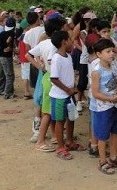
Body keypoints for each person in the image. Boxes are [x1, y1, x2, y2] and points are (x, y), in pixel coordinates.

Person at [26, 16, 68, 153]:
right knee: (48, 113)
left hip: (46, 77)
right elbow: (51, 60)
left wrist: (39, 66)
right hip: (52, 80)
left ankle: (55, 136)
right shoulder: (54, 46)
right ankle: (40, 141)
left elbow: (28, 55)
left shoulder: (44, 43)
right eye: (64, 27)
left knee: (50, 110)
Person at [91, 38, 117, 174]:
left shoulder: (114, 66)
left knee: (115, 131)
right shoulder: (96, 71)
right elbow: (95, 93)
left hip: (115, 105)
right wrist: (111, 98)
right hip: (102, 108)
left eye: (112, 51)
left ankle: (113, 157)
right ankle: (102, 161)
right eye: (108, 51)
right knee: (102, 135)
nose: (111, 54)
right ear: (99, 54)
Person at [49, 30, 83, 160]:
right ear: (64, 42)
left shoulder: (68, 56)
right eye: (69, 39)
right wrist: (67, 90)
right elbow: (54, 78)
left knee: (71, 118)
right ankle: (60, 147)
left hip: (69, 95)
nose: (72, 42)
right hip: (60, 96)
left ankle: (69, 141)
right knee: (60, 121)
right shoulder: (57, 58)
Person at [23, 11, 45, 143]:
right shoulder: (43, 30)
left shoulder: (27, 34)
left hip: (34, 64)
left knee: (38, 96)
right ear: (37, 20)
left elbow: (28, 50)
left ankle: (37, 128)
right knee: (45, 95)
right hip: (43, 64)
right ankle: (42, 128)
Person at [0, 17, 17, 99]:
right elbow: (9, 42)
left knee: (2, 74)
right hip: (6, 57)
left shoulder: (2, 33)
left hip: (0, 55)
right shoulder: (11, 33)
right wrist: (12, 48)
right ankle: (8, 93)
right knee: (10, 75)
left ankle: (0, 89)